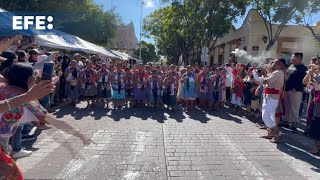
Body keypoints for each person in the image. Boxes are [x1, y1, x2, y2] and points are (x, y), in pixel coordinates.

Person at [0, 63, 50, 179]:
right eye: (36, 77)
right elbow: (44, 121)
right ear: (30, 78)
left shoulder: (2, 86)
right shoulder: (26, 99)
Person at [253, 59, 285, 143]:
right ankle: (271, 133)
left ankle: (277, 132)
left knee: (265, 116)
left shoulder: (277, 72)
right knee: (270, 116)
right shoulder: (277, 72)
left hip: (272, 97)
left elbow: (266, 81)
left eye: (274, 62)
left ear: (279, 64)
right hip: (270, 97)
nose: (272, 64)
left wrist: (257, 76)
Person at [284, 52, 307, 132]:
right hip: (287, 89)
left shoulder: (303, 68)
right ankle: (286, 121)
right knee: (287, 106)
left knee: (295, 107)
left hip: (296, 91)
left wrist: (296, 88)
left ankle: (294, 124)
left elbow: (304, 81)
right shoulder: (291, 66)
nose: (291, 58)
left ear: (298, 58)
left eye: (293, 57)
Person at [303, 64, 320, 154]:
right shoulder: (316, 75)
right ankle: (317, 145)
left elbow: (317, 85)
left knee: (317, 122)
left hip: (318, 100)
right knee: (315, 121)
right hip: (316, 100)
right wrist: (309, 73)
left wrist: (311, 74)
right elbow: (305, 82)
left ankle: (317, 147)